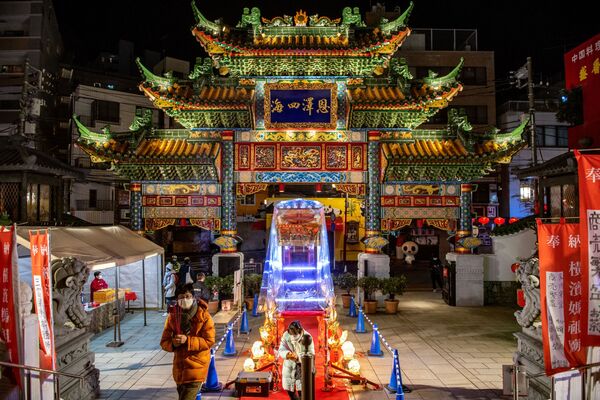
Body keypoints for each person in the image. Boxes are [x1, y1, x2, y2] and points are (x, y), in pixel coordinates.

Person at [160, 283, 215, 400]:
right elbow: (164, 342)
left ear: (193, 297)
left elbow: (209, 341)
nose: (184, 300)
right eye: (180, 297)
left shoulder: (204, 316)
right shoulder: (173, 316)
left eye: (187, 296)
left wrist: (188, 340)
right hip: (179, 371)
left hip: (196, 368)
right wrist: (173, 344)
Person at [278, 321, 315, 400]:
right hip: (289, 364)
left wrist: (298, 357)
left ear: (300, 330)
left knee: (302, 389)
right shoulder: (286, 335)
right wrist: (287, 354)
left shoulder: (307, 337)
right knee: (289, 388)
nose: (293, 337)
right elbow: (281, 349)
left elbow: (311, 354)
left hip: (302, 365)